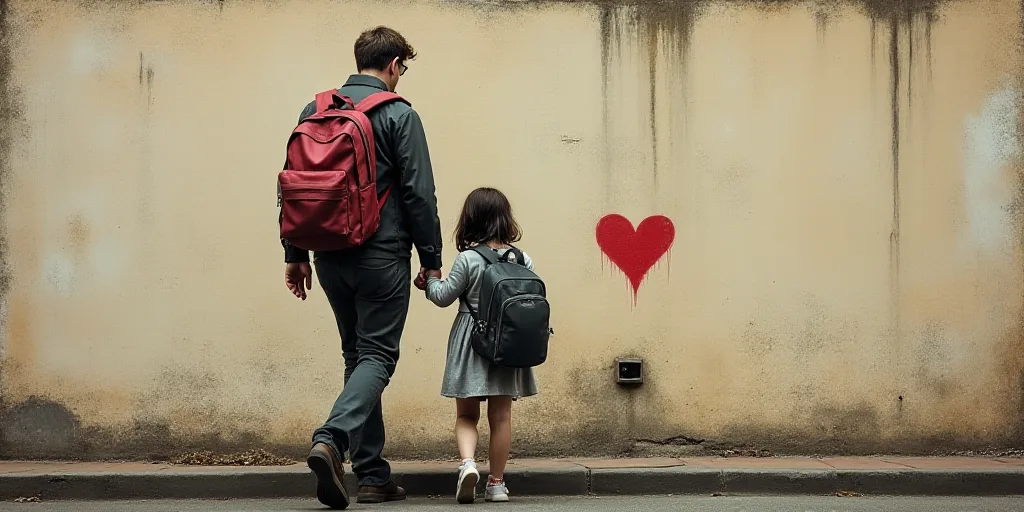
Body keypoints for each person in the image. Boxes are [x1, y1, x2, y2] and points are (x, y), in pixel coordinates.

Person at [282, 26, 443, 509]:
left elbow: (294, 184)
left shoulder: (314, 111)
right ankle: (332, 440)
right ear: (394, 65)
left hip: (328, 255)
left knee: (358, 357)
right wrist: (432, 261)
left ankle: (372, 475)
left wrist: (295, 253)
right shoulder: (398, 114)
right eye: (403, 68)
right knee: (377, 356)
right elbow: (419, 193)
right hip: (381, 255)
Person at [417, 187, 539, 504]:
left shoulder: (468, 259)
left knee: (467, 415)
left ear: (470, 220)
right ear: (505, 218)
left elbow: (442, 296)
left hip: (472, 339)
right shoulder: (523, 259)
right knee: (501, 417)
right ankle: (496, 484)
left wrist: (430, 280)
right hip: (508, 342)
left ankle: (468, 464)